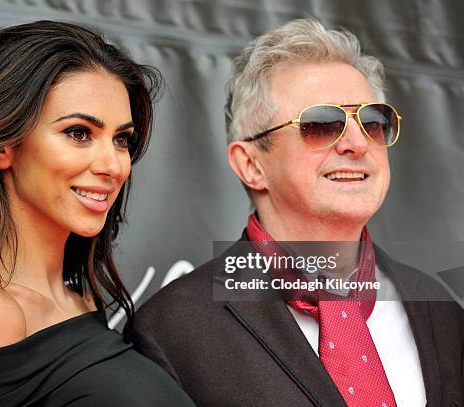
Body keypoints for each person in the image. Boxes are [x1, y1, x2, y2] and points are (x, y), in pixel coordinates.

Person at [132, 18, 463, 407]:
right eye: (323, 124)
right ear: (251, 164)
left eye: (372, 121)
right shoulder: (174, 329)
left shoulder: (441, 310)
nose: (357, 143)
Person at [0, 20, 195, 407]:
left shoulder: (80, 299)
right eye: (78, 133)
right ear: (3, 144)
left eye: (121, 139)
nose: (114, 165)